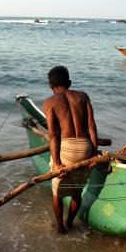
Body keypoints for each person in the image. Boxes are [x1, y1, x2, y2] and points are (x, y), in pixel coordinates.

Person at [43, 66, 98, 233]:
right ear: (69, 82)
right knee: (76, 192)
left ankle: (60, 228)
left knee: (57, 193)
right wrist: (95, 153)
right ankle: (70, 222)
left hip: (66, 149)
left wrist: (57, 163)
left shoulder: (49, 102)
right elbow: (91, 126)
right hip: (85, 148)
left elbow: (53, 135)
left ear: (50, 85)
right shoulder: (83, 97)